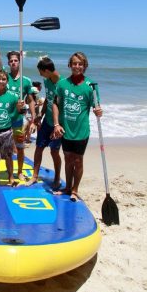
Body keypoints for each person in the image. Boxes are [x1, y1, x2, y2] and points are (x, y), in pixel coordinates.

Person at [53, 52, 103, 201]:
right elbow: (55, 103)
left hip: (81, 130)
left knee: (78, 160)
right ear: (70, 65)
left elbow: (96, 106)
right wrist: (56, 124)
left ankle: (75, 190)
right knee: (68, 159)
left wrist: (98, 110)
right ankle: (67, 187)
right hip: (65, 129)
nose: (77, 66)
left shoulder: (91, 86)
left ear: (85, 66)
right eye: (74, 63)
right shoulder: (62, 84)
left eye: (80, 64)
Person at [0, 25, 36, 181]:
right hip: (2, 120)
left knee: (20, 148)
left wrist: (33, 119)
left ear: (20, 61)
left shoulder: (26, 80)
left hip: (17, 120)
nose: (13, 63)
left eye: (16, 60)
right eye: (11, 61)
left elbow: (30, 100)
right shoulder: (4, 76)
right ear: (8, 63)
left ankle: (20, 172)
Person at [26, 57, 62, 188]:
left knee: (54, 152)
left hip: (58, 124)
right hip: (47, 121)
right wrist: (40, 115)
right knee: (39, 147)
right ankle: (34, 176)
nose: (40, 75)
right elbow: (48, 99)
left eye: (41, 72)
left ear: (47, 71)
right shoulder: (47, 80)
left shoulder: (62, 84)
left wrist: (58, 125)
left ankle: (57, 178)